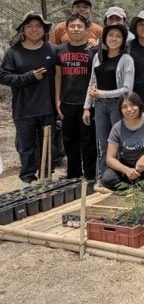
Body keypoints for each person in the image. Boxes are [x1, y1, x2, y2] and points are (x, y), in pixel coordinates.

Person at [0, 11, 56, 186]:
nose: (34, 29)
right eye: (30, 26)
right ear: (23, 29)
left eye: (38, 26)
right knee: (26, 147)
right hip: (23, 108)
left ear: (44, 29)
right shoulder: (13, 53)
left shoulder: (52, 50)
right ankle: (27, 180)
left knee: (49, 145)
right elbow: (3, 76)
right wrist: (27, 77)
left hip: (48, 107)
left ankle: (46, 177)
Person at [83, 24, 135, 177]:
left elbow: (127, 89)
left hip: (118, 106)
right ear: (104, 38)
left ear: (123, 40)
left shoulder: (126, 59)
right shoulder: (98, 58)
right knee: (103, 144)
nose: (114, 39)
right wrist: (87, 107)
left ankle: (123, 177)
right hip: (99, 106)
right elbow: (92, 83)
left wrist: (102, 93)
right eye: (110, 35)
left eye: (118, 36)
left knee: (119, 143)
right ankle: (105, 177)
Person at [54, 14, 97, 182]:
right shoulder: (59, 50)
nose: (76, 29)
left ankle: (90, 175)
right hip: (67, 102)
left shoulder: (92, 50)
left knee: (88, 141)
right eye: (72, 26)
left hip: (87, 103)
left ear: (87, 30)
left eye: (79, 26)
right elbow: (58, 76)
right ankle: (73, 175)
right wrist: (57, 100)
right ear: (67, 29)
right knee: (69, 141)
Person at [102, 92, 144, 190]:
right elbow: (110, 159)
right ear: (120, 110)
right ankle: (130, 187)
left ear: (139, 105)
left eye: (133, 105)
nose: (129, 109)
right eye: (124, 107)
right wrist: (126, 170)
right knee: (108, 178)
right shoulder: (117, 128)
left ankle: (143, 186)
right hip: (127, 164)